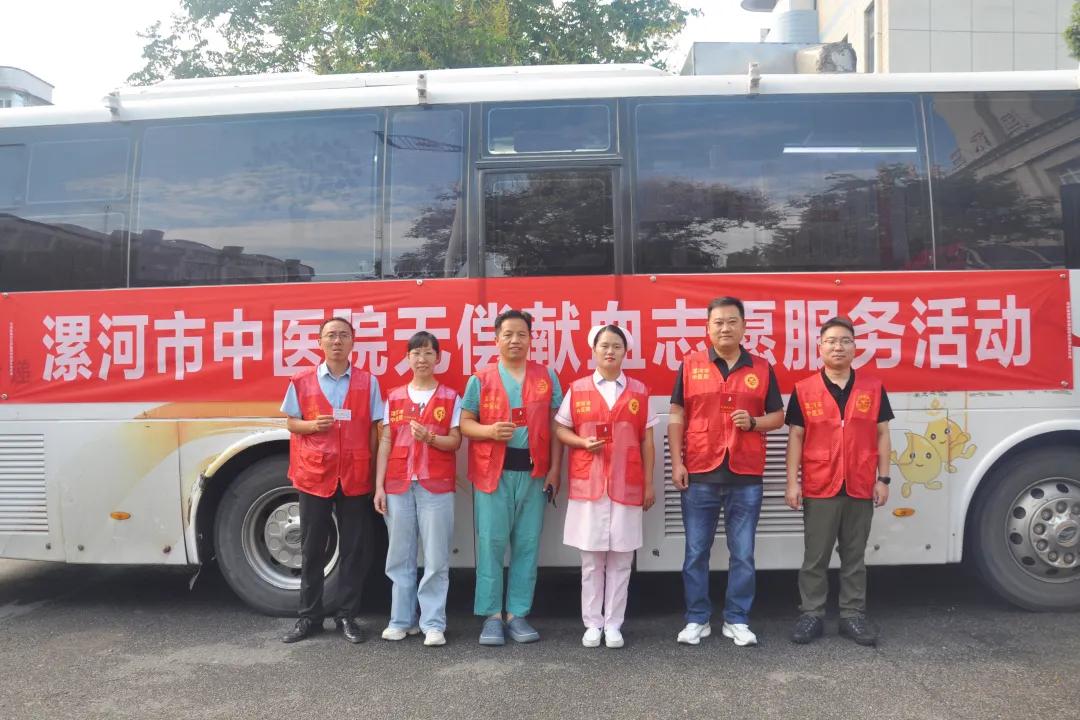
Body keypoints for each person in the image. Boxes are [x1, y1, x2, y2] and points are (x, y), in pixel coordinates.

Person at [669, 296, 785, 648]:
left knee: (743, 554)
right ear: (707, 328)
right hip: (700, 471)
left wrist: (754, 422)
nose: (725, 328)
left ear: (744, 326)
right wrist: (677, 462)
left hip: (745, 474)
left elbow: (778, 417)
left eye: (732, 321)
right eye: (718, 322)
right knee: (695, 553)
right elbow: (677, 415)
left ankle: (737, 619)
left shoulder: (761, 367)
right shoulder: (690, 365)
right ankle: (697, 618)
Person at [784, 315, 893, 646]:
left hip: (860, 482)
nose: (838, 347)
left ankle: (852, 615)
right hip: (820, 485)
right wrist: (792, 483)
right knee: (815, 556)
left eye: (845, 341)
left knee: (854, 556)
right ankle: (812, 614)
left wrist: (883, 478)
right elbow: (796, 437)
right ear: (820, 347)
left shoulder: (873, 388)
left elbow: (882, 434)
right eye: (831, 341)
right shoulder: (804, 390)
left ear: (855, 347)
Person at [460, 309, 563, 645]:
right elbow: (465, 424)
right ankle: (491, 616)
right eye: (508, 334)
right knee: (490, 543)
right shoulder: (481, 378)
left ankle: (517, 613)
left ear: (531, 339)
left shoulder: (547, 376)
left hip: (534, 475)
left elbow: (557, 426)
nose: (515, 340)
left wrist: (555, 469)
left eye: (521, 334)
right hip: (493, 474)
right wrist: (489, 431)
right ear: (496, 339)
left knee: (527, 544)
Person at [279, 316, 383, 644]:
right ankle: (309, 617)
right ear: (320, 342)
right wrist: (312, 426)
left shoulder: (368, 382)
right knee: (312, 549)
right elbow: (291, 423)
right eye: (331, 336)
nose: (337, 341)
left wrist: (372, 471)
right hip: (314, 474)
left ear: (353, 342)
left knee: (353, 550)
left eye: (343, 335)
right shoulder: (301, 380)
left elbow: (375, 429)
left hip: (354, 475)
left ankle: (347, 616)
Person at [555, 324, 657, 649]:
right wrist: (582, 443)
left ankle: (613, 624)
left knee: (622, 560)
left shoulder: (639, 391)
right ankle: (592, 624)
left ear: (625, 352)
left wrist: (649, 484)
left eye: (616, 346)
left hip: (627, 484)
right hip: (590, 485)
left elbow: (648, 442)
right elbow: (561, 429)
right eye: (604, 346)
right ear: (594, 350)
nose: (610, 351)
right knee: (591, 561)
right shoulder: (578, 389)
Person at [374, 331, 462, 648]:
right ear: (408, 359)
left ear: (438, 358)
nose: (422, 359)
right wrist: (379, 486)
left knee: (436, 557)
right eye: (416, 353)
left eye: (427, 353)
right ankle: (401, 620)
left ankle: (433, 623)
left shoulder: (450, 398)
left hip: (435, 485)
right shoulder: (395, 397)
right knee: (399, 556)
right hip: (398, 484)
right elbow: (386, 441)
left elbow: (456, 441)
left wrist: (430, 439)